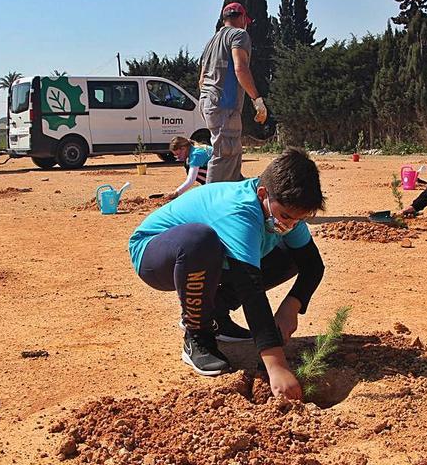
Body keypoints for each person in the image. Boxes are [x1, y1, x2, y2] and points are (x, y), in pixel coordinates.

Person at [129, 148, 326, 401]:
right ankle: (197, 334)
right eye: (285, 216)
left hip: (206, 259)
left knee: (289, 256)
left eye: (298, 220)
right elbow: (250, 288)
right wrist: (276, 366)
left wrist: (290, 307)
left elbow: (312, 265)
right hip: (156, 254)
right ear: (263, 194)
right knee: (200, 242)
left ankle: (216, 316)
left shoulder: (283, 214)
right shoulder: (240, 211)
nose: (289, 225)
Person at [198, 2, 268, 183]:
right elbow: (240, 68)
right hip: (223, 103)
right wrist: (257, 100)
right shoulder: (239, 35)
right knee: (225, 153)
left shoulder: (210, 42)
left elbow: (202, 79)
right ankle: (210, 203)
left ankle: (234, 196)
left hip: (208, 100)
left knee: (233, 153)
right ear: (242, 18)